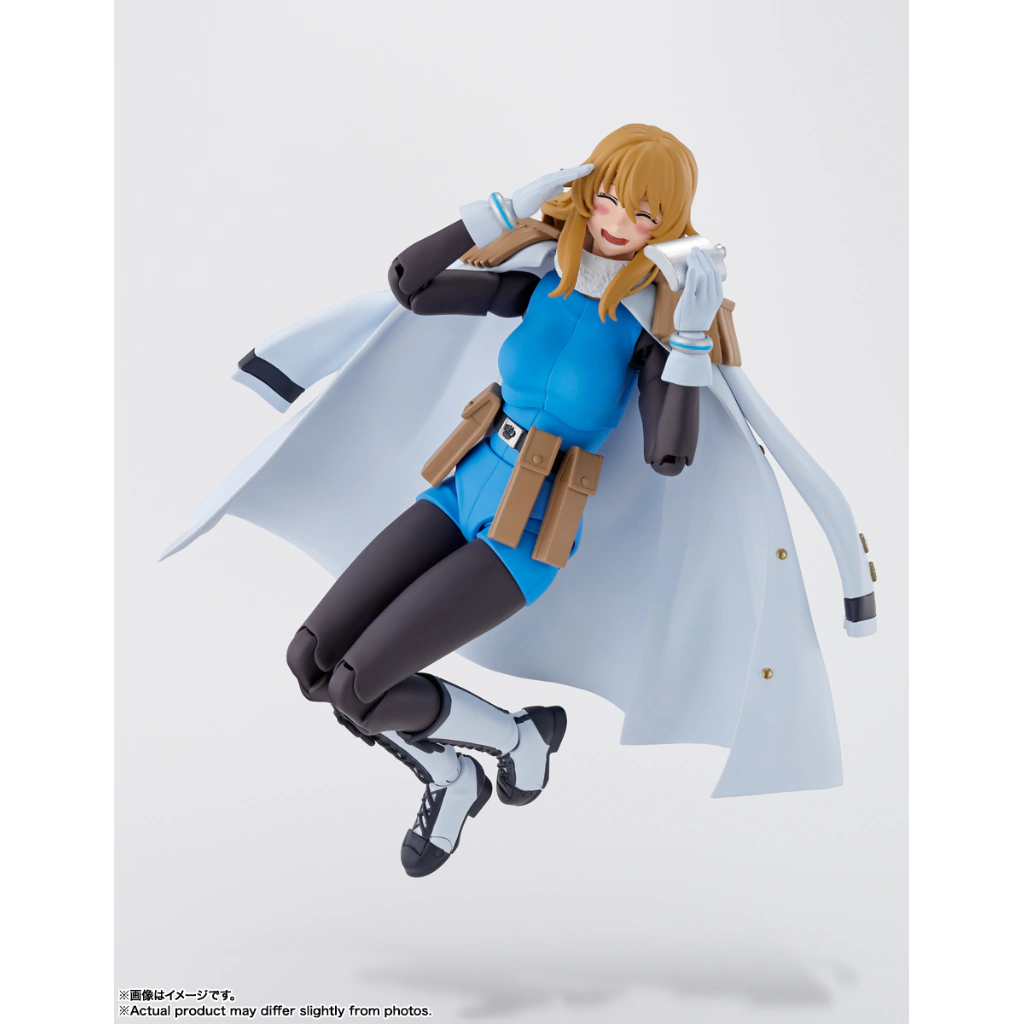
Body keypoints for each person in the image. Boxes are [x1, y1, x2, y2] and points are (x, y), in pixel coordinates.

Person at [163, 124, 877, 878]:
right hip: (462, 482)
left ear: (666, 226)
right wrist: (498, 213)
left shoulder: (649, 328)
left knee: (358, 687)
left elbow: (670, 454)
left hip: (528, 531)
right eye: (608, 199)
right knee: (311, 663)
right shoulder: (541, 280)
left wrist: (692, 339)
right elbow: (412, 285)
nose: (618, 223)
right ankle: (477, 758)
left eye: (644, 215)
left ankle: (504, 747)